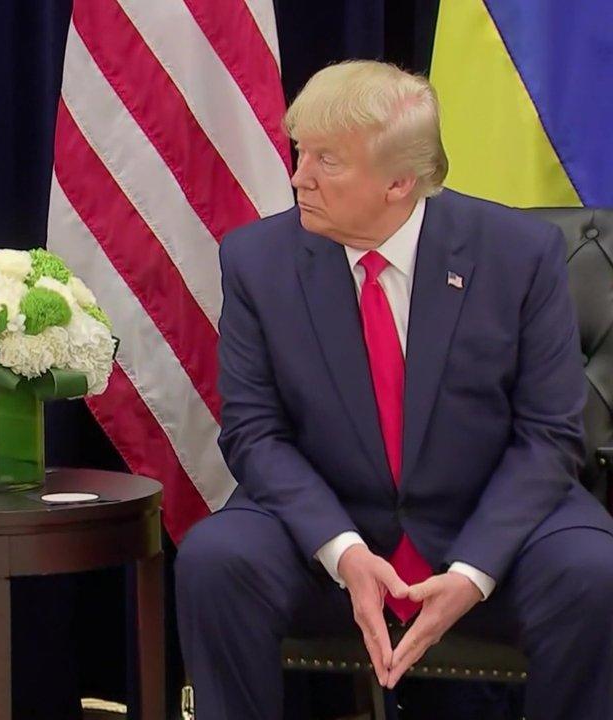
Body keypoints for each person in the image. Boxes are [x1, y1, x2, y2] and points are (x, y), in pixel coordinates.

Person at [176, 60, 613, 719]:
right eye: (300, 152)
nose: (298, 177)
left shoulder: (519, 255)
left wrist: (472, 571)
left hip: (490, 521)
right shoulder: (256, 261)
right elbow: (254, 432)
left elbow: (549, 436)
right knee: (215, 561)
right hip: (327, 521)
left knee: (594, 572)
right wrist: (344, 550)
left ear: (399, 182)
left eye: (327, 160)